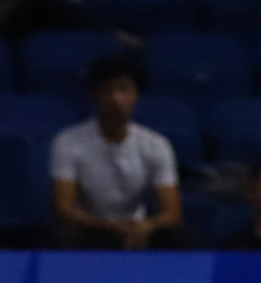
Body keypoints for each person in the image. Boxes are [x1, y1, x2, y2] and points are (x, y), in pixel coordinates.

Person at [49, 54, 189, 249]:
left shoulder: (156, 144)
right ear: (95, 96)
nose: (116, 99)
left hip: (135, 227)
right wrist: (108, 226)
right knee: (60, 235)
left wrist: (148, 225)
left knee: (180, 235)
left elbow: (171, 211)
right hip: (91, 228)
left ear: (135, 94)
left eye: (123, 89)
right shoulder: (67, 142)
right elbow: (64, 209)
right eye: (107, 91)